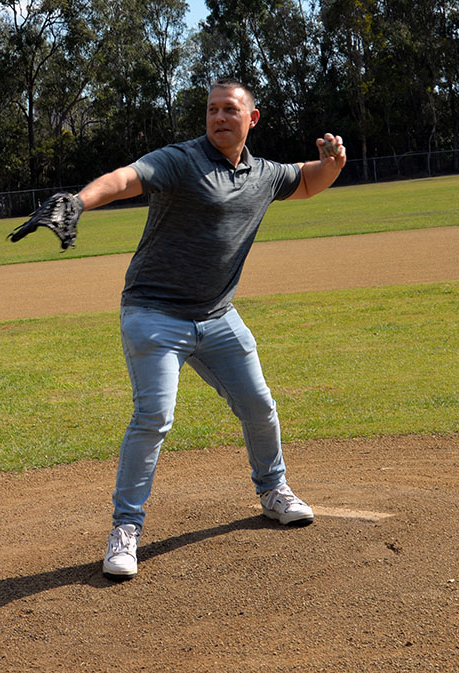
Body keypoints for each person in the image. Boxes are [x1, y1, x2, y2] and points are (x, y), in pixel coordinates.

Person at [72, 78, 346, 580]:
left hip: (218, 317)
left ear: (252, 119)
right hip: (155, 314)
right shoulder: (182, 160)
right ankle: (125, 530)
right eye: (212, 110)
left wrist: (332, 165)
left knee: (259, 405)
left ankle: (273, 490)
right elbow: (126, 178)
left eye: (230, 110)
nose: (219, 118)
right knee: (154, 416)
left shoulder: (263, 174)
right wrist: (79, 202)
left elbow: (305, 182)